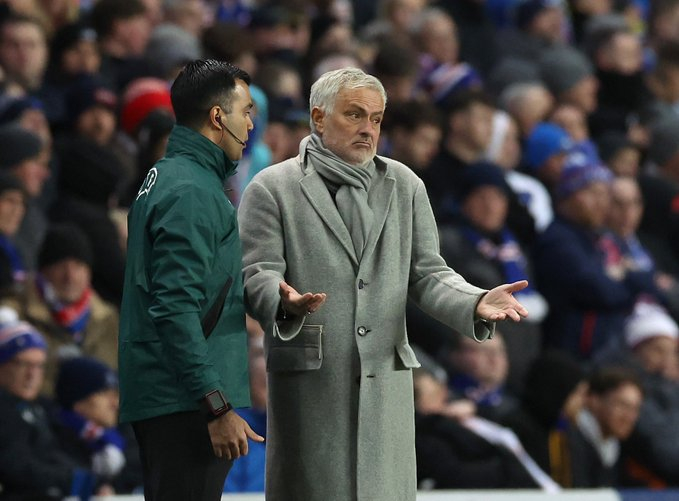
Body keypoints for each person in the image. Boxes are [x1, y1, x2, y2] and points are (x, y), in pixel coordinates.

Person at [238, 67, 529, 501]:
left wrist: (474, 301)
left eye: (375, 119)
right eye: (354, 115)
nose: (367, 129)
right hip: (313, 388)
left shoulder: (405, 185)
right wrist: (283, 302)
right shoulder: (272, 188)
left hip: (386, 387)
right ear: (318, 118)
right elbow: (255, 273)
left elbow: (428, 273)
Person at [118, 59, 263, 501]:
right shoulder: (192, 192)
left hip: (171, 394)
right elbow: (175, 307)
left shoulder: (169, 175)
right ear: (218, 117)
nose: (251, 124)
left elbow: (197, 290)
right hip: (186, 402)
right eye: (246, 112)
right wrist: (215, 404)